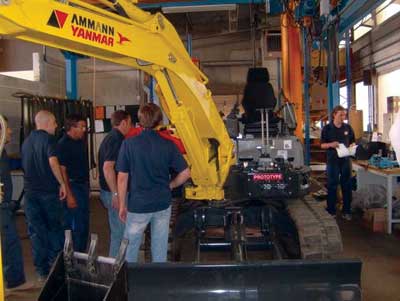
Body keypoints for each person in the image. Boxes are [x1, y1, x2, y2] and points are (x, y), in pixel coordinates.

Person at [116, 103, 190, 263]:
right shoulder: (168, 145)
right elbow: (185, 173)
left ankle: (130, 282)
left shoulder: (129, 144)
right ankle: (159, 281)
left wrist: (122, 204)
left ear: (140, 120)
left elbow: (122, 178)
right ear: (159, 121)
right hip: (162, 203)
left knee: (131, 246)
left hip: (138, 205)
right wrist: (170, 185)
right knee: (159, 246)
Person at [21, 110, 66, 281]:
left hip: (30, 195)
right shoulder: (49, 140)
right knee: (54, 230)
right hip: (48, 194)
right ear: (47, 123)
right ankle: (57, 269)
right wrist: (62, 183)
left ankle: (42, 271)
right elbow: (53, 161)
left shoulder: (26, 142)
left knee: (36, 232)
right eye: (54, 122)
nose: (56, 126)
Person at [0, 117, 34, 293]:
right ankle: (14, 281)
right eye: (7, 128)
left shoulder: (3, 152)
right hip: (1, 208)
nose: (11, 132)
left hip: (5, 205)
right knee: (10, 243)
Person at [98, 110, 132, 257]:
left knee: (119, 232)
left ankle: (116, 268)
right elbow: (107, 167)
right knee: (120, 234)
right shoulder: (116, 140)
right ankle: (116, 270)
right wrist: (116, 193)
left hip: (113, 192)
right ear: (123, 122)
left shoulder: (111, 138)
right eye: (130, 123)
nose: (131, 126)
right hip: (115, 193)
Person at [57, 114, 89, 252]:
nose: (84, 129)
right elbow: (62, 171)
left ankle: (82, 256)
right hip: (72, 187)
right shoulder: (63, 145)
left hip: (82, 187)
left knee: (83, 225)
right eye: (81, 126)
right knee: (74, 226)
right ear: (71, 127)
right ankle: (73, 259)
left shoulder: (80, 142)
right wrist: (69, 195)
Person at [321, 105, 355, 220]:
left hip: (345, 160)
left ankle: (346, 211)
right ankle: (331, 210)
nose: (343, 117)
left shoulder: (348, 128)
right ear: (334, 114)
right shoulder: (327, 129)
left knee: (347, 185)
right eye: (341, 115)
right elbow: (322, 145)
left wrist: (352, 146)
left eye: (344, 115)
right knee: (332, 185)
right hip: (332, 161)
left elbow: (352, 142)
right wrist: (331, 144)